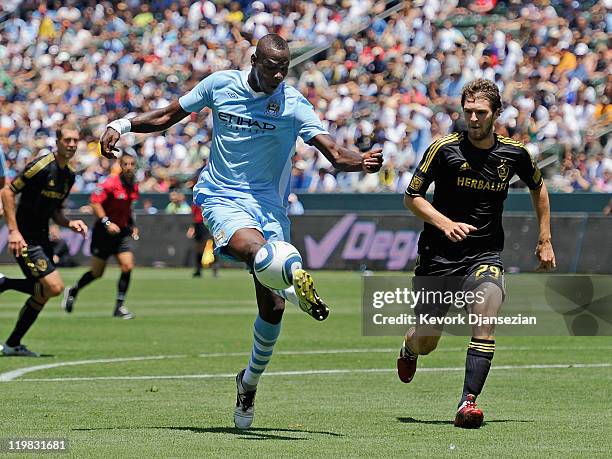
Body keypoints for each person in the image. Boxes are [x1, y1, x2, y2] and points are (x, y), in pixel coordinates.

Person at [99, 33, 383, 429]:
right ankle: (290, 280)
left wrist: (361, 162)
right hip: (221, 197)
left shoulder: (292, 103)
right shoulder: (220, 85)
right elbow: (168, 116)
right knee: (258, 251)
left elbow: (334, 154)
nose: (278, 75)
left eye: (284, 68)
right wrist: (121, 123)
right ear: (254, 60)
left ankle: (248, 381)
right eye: (271, 67)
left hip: (269, 208)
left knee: (272, 308)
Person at [397, 79, 556, 428]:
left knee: (486, 315)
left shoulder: (515, 153)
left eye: (480, 112)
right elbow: (412, 197)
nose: (472, 118)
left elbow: (539, 189)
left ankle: (467, 402)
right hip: (438, 257)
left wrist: (545, 239)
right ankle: (409, 347)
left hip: (484, 254)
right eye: (468, 111)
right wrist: (444, 223)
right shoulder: (443, 149)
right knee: (427, 341)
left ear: (496, 114)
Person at [0, 123, 88, 357]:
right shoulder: (41, 166)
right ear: (57, 141)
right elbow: (7, 192)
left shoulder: (69, 176)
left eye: (75, 141)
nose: (71, 145)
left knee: (42, 293)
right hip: (25, 237)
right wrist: (13, 231)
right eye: (67, 140)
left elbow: (55, 212)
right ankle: (4, 283)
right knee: (55, 287)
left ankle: (12, 344)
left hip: (43, 237)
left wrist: (69, 223)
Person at [61, 154, 139, 319]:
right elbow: (95, 202)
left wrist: (132, 225)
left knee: (128, 266)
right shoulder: (110, 183)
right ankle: (73, 290)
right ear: (120, 165)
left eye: (132, 164)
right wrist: (106, 222)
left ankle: (119, 306)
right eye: (126, 164)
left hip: (122, 232)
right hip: (103, 233)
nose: (129, 167)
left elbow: (128, 208)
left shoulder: (133, 186)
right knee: (97, 273)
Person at [187, 201, 218, 278]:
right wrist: (192, 227)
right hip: (200, 224)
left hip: (210, 223)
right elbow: (194, 214)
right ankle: (199, 270)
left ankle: (214, 269)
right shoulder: (197, 200)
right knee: (199, 248)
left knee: (214, 248)